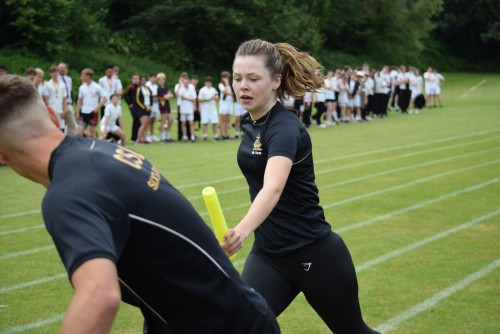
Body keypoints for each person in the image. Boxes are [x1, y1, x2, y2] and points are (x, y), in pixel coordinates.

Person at [0, 75, 279, 334]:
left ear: (2, 155)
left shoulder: (68, 194)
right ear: (51, 115)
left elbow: (99, 295)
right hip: (234, 315)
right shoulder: (104, 151)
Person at [224, 39, 380, 334]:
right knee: (240, 324)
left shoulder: (285, 128)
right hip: (269, 256)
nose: (243, 86)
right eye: (237, 78)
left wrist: (242, 231)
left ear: (275, 81)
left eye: (253, 79)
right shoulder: (249, 123)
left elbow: (273, 187)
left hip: (315, 254)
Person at [76, 68, 106, 138]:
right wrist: (77, 112)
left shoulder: (97, 87)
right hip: (83, 112)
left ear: (88, 76)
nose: (81, 77)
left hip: (92, 113)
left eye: (83, 75)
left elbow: (104, 99)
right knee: (79, 133)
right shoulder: (82, 87)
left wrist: (97, 107)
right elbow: (79, 100)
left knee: (93, 134)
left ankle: (94, 147)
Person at [42, 65, 68, 133]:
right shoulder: (47, 85)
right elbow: (46, 99)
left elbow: (65, 99)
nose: (54, 74)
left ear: (58, 73)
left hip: (60, 110)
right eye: (52, 72)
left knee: (61, 129)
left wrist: (65, 110)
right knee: (52, 129)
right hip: (52, 110)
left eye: (56, 72)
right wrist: (50, 110)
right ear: (50, 74)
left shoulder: (62, 84)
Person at [198, 76, 220, 141]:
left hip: (213, 109)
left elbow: (217, 98)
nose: (209, 83)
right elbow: (199, 99)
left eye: (210, 82)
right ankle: (205, 136)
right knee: (205, 123)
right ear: (205, 82)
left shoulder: (213, 89)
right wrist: (208, 99)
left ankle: (215, 136)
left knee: (215, 122)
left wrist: (216, 98)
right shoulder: (202, 90)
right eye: (207, 82)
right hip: (204, 109)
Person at [58, 62, 77, 135]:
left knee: (72, 124)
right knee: (60, 124)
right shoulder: (56, 79)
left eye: (64, 68)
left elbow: (70, 92)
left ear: (66, 69)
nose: (62, 70)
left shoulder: (69, 79)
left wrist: (72, 103)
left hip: (68, 103)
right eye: (60, 68)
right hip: (60, 104)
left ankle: (71, 139)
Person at [132, 76, 152, 144]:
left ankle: (144, 139)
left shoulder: (148, 88)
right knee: (143, 124)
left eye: (144, 80)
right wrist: (144, 107)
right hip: (142, 109)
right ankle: (138, 139)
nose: (143, 81)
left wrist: (151, 106)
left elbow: (151, 97)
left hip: (148, 108)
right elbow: (137, 100)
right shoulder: (139, 88)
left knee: (146, 124)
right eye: (142, 80)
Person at [156, 72, 174, 142]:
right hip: (163, 106)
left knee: (170, 120)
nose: (161, 81)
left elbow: (171, 95)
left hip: (167, 105)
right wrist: (168, 95)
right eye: (160, 80)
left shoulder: (165, 87)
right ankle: (163, 137)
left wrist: (168, 95)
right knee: (163, 121)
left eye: (162, 79)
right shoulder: (159, 88)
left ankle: (168, 135)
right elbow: (165, 97)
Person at [124, 74, 141, 142]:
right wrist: (130, 103)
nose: (136, 80)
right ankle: (133, 137)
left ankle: (138, 136)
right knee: (136, 121)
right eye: (135, 79)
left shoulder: (140, 87)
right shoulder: (131, 87)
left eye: (137, 79)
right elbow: (125, 95)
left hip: (139, 106)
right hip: (133, 106)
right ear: (132, 79)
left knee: (139, 121)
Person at [218, 71, 234, 140]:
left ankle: (227, 134)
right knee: (222, 120)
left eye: (227, 77)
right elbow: (225, 92)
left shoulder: (230, 85)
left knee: (228, 120)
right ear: (222, 78)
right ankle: (222, 135)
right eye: (225, 77)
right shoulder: (221, 85)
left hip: (229, 103)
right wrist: (227, 84)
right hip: (223, 104)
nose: (227, 79)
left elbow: (232, 93)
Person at [145, 73, 160, 142]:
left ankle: (152, 135)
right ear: (150, 78)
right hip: (149, 104)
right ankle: (147, 135)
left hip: (156, 104)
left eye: (155, 78)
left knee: (153, 120)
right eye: (153, 78)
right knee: (148, 120)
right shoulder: (147, 85)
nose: (154, 79)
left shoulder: (156, 86)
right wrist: (155, 95)